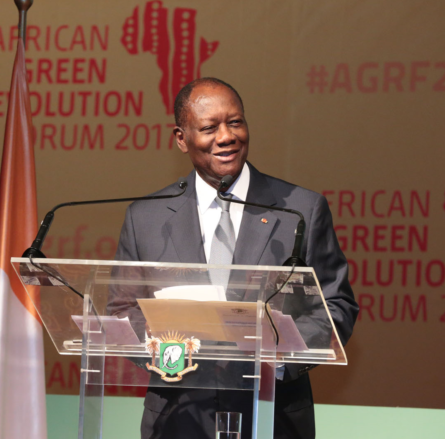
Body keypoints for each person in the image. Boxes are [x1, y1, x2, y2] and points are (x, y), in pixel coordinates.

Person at [109, 77, 358, 439]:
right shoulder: (145, 218)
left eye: (235, 122)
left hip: (274, 417)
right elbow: (122, 310)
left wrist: (279, 356)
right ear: (181, 138)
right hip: (178, 419)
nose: (226, 137)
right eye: (209, 128)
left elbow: (336, 306)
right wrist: (165, 349)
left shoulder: (300, 210)